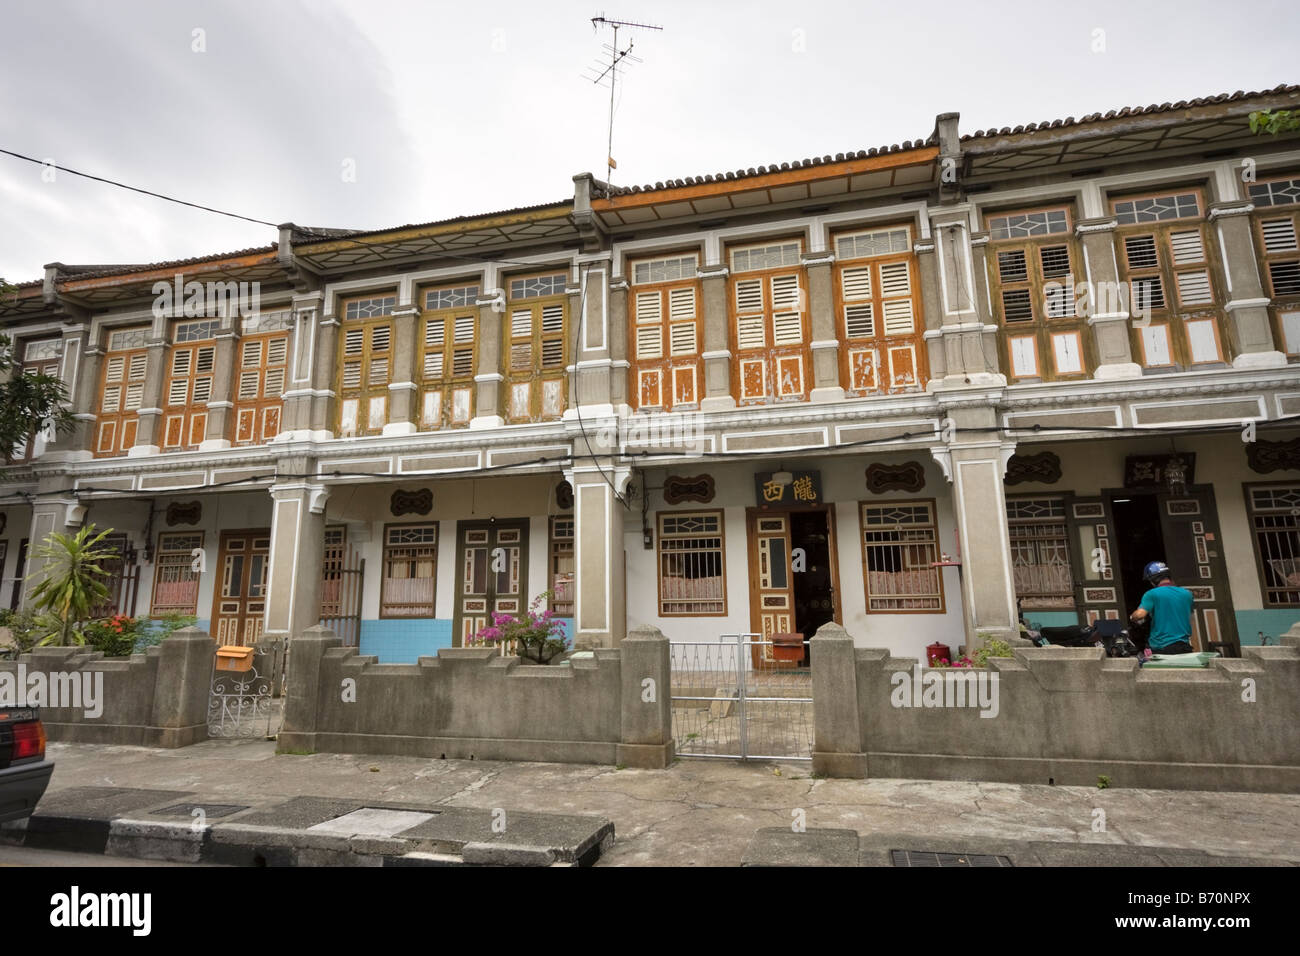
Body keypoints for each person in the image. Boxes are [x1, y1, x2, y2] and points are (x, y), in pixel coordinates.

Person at [1128, 560, 1195, 656]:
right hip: (1184, 645)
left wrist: (1132, 617)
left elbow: (1140, 615)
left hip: (1161, 647)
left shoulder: (1152, 594)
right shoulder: (1187, 594)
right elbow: (1190, 617)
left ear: (1153, 580)